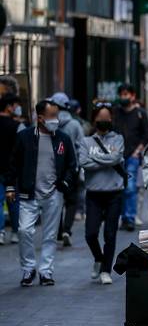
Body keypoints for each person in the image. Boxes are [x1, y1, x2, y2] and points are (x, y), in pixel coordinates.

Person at [5, 99, 77, 287]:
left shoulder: (63, 138)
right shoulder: (25, 137)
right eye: (52, 115)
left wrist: (65, 182)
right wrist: (10, 186)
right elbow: (12, 165)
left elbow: (72, 164)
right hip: (28, 194)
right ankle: (29, 268)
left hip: (54, 193)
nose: (56, 119)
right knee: (24, 231)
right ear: (41, 117)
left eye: (57, 115)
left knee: (50, 235)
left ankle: (46, 271)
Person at [79, 104, 125, 285]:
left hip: (114, 193)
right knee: (90, 233)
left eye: (107, 117)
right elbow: (83, 162)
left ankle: (106, 270)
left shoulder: (118, 139)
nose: (104, 120)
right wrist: (107, 160)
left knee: (110, 234)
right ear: (94, 119)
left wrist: (96, 160)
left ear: (111, 119)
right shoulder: (86, 141)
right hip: (94, 193)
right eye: (100, 117)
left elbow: (116, 159)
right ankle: (98, 258)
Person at [113, 84, 148, 231]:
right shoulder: (115, 112)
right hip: (117, 157)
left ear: (133, 96)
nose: (123, 97)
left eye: (126, 94)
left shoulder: (140, 114)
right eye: (121, 94)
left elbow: (146, 136)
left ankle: (129, 218)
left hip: (133, 156)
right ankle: (124, 217)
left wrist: (137, 151)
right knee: (120, 188)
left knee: (129, 187)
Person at [49, 92, 85, 247]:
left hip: (52, 168)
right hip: (72, 168)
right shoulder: (75, 124)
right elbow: (82, 146)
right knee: (71, 201)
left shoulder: (49, 122)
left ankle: (57, 233)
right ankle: (67, 231)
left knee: (55, 201)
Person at [0, 93, 22, 245]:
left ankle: (0, 233)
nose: (17, 108)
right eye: (15, 105)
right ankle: (15, 232)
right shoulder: (17, 126)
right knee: (14, 201)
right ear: (9, 107)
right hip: (12, 169)